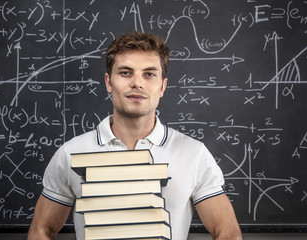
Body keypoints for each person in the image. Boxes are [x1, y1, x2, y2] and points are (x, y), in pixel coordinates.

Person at [27, 31, 242, 240]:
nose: (137, 83)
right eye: (125, 73)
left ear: (162, 86)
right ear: (109, 82)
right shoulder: (71, 153)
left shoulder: (193, 154)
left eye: (149, 74)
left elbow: (227, 232)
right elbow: (41, 231)